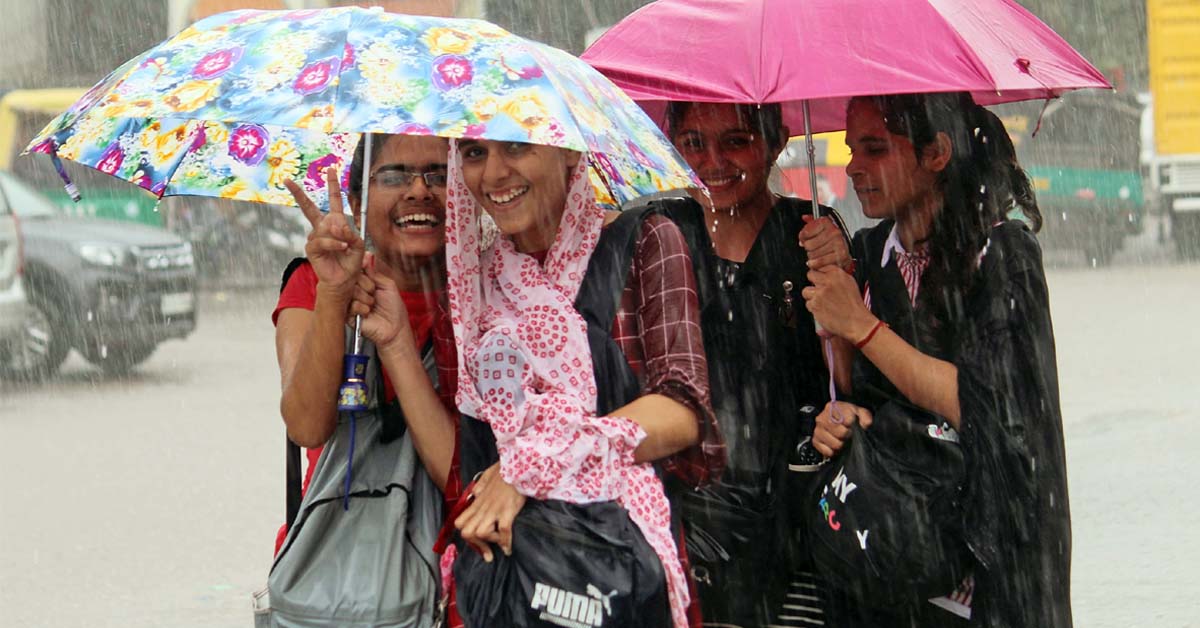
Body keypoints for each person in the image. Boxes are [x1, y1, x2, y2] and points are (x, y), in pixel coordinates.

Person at [801, 92, 1071, 627]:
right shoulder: (870, 251)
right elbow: (855, 391)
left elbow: (980, 402)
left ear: (937, 153)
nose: (854, 167)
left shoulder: (1001, 255)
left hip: (990, 555)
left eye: (875, 148)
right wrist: (838, 405)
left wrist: (863, 325)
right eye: (851, 149)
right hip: (896, 560)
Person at [438, 137, 727, 628]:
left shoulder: (644, 242)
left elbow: (681, 413)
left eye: (515, 147)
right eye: (473, 153)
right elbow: (469, 453)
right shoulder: (473, 280)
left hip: (614, 559)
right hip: (504, 572)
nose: (492, 174)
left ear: (572, 150)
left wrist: (528, 468)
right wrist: (396, 342)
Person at [650, 101, 850, 628]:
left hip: (798, 508)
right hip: (680, 514)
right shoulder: (653, 234)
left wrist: (839, 279)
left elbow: (846, 381)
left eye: (736, 141)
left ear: (778, 140)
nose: (713, 160)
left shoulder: (811, 232)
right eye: (693, 143)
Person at [273, 132, 458, 550]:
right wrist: (334, 295)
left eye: (440, 176)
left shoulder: (495, 294)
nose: (419, 191)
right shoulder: (312, 283)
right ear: (355, 204)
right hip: (343, 564)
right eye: (394, 176)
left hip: (460, 558)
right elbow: (305, 425)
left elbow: (469, 470)